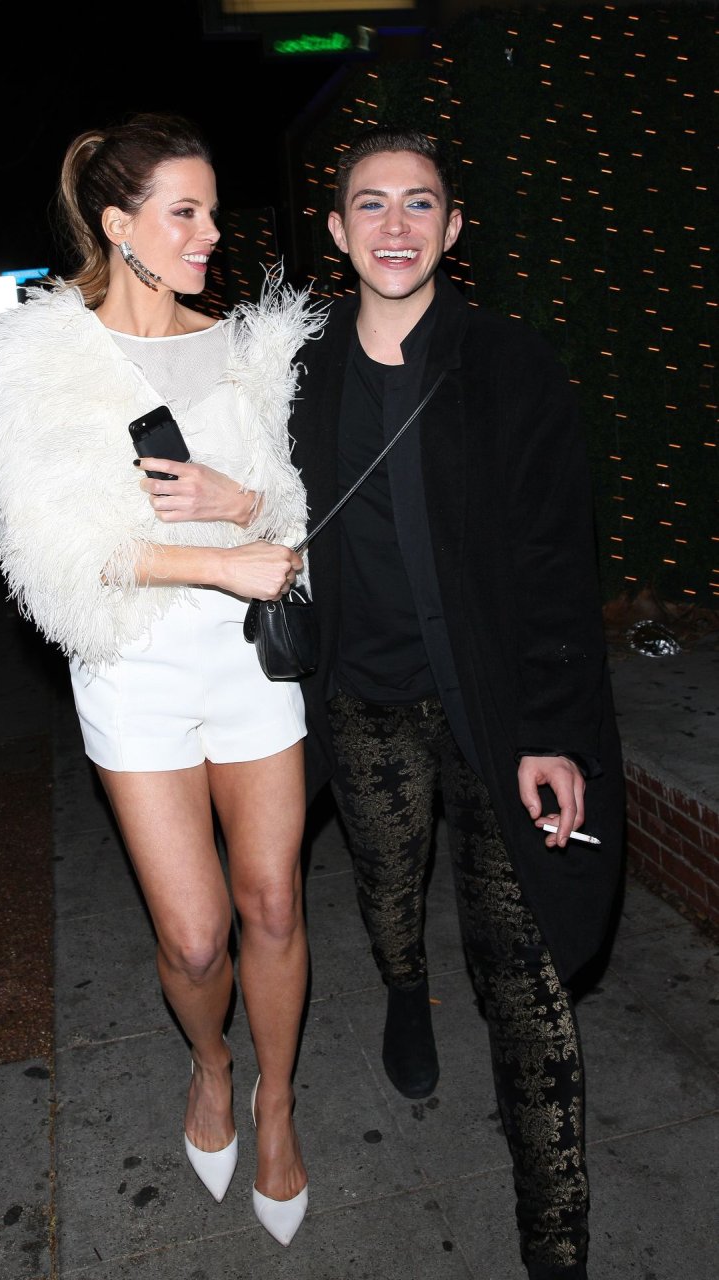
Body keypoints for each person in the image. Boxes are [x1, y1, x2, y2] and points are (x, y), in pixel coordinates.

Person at [0, 111, 327, 1247]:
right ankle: (209, 1062)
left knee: (274, 902)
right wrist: (212, 554)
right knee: (198, 936)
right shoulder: (38, 361)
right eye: (185, 212)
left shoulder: (251, 351)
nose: (211, 232)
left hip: (253, 657)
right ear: (119, 226)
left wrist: (242, 504)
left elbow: (300, 519)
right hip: (132, 663)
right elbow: (48, 551)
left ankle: (275, 1103)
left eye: (211, 210)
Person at [289, 126, 625, 1278]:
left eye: (420, 202)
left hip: (497, 717)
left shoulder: (510, 365)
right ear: (336, 232)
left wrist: (553, 730)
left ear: (453, 226)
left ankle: (557, 1248)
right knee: (389, 888)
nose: (395, 224)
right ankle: (402, 987)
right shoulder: (296, 375)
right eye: (370, 203)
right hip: (365, 702)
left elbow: (557, 561)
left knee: (524, 981)